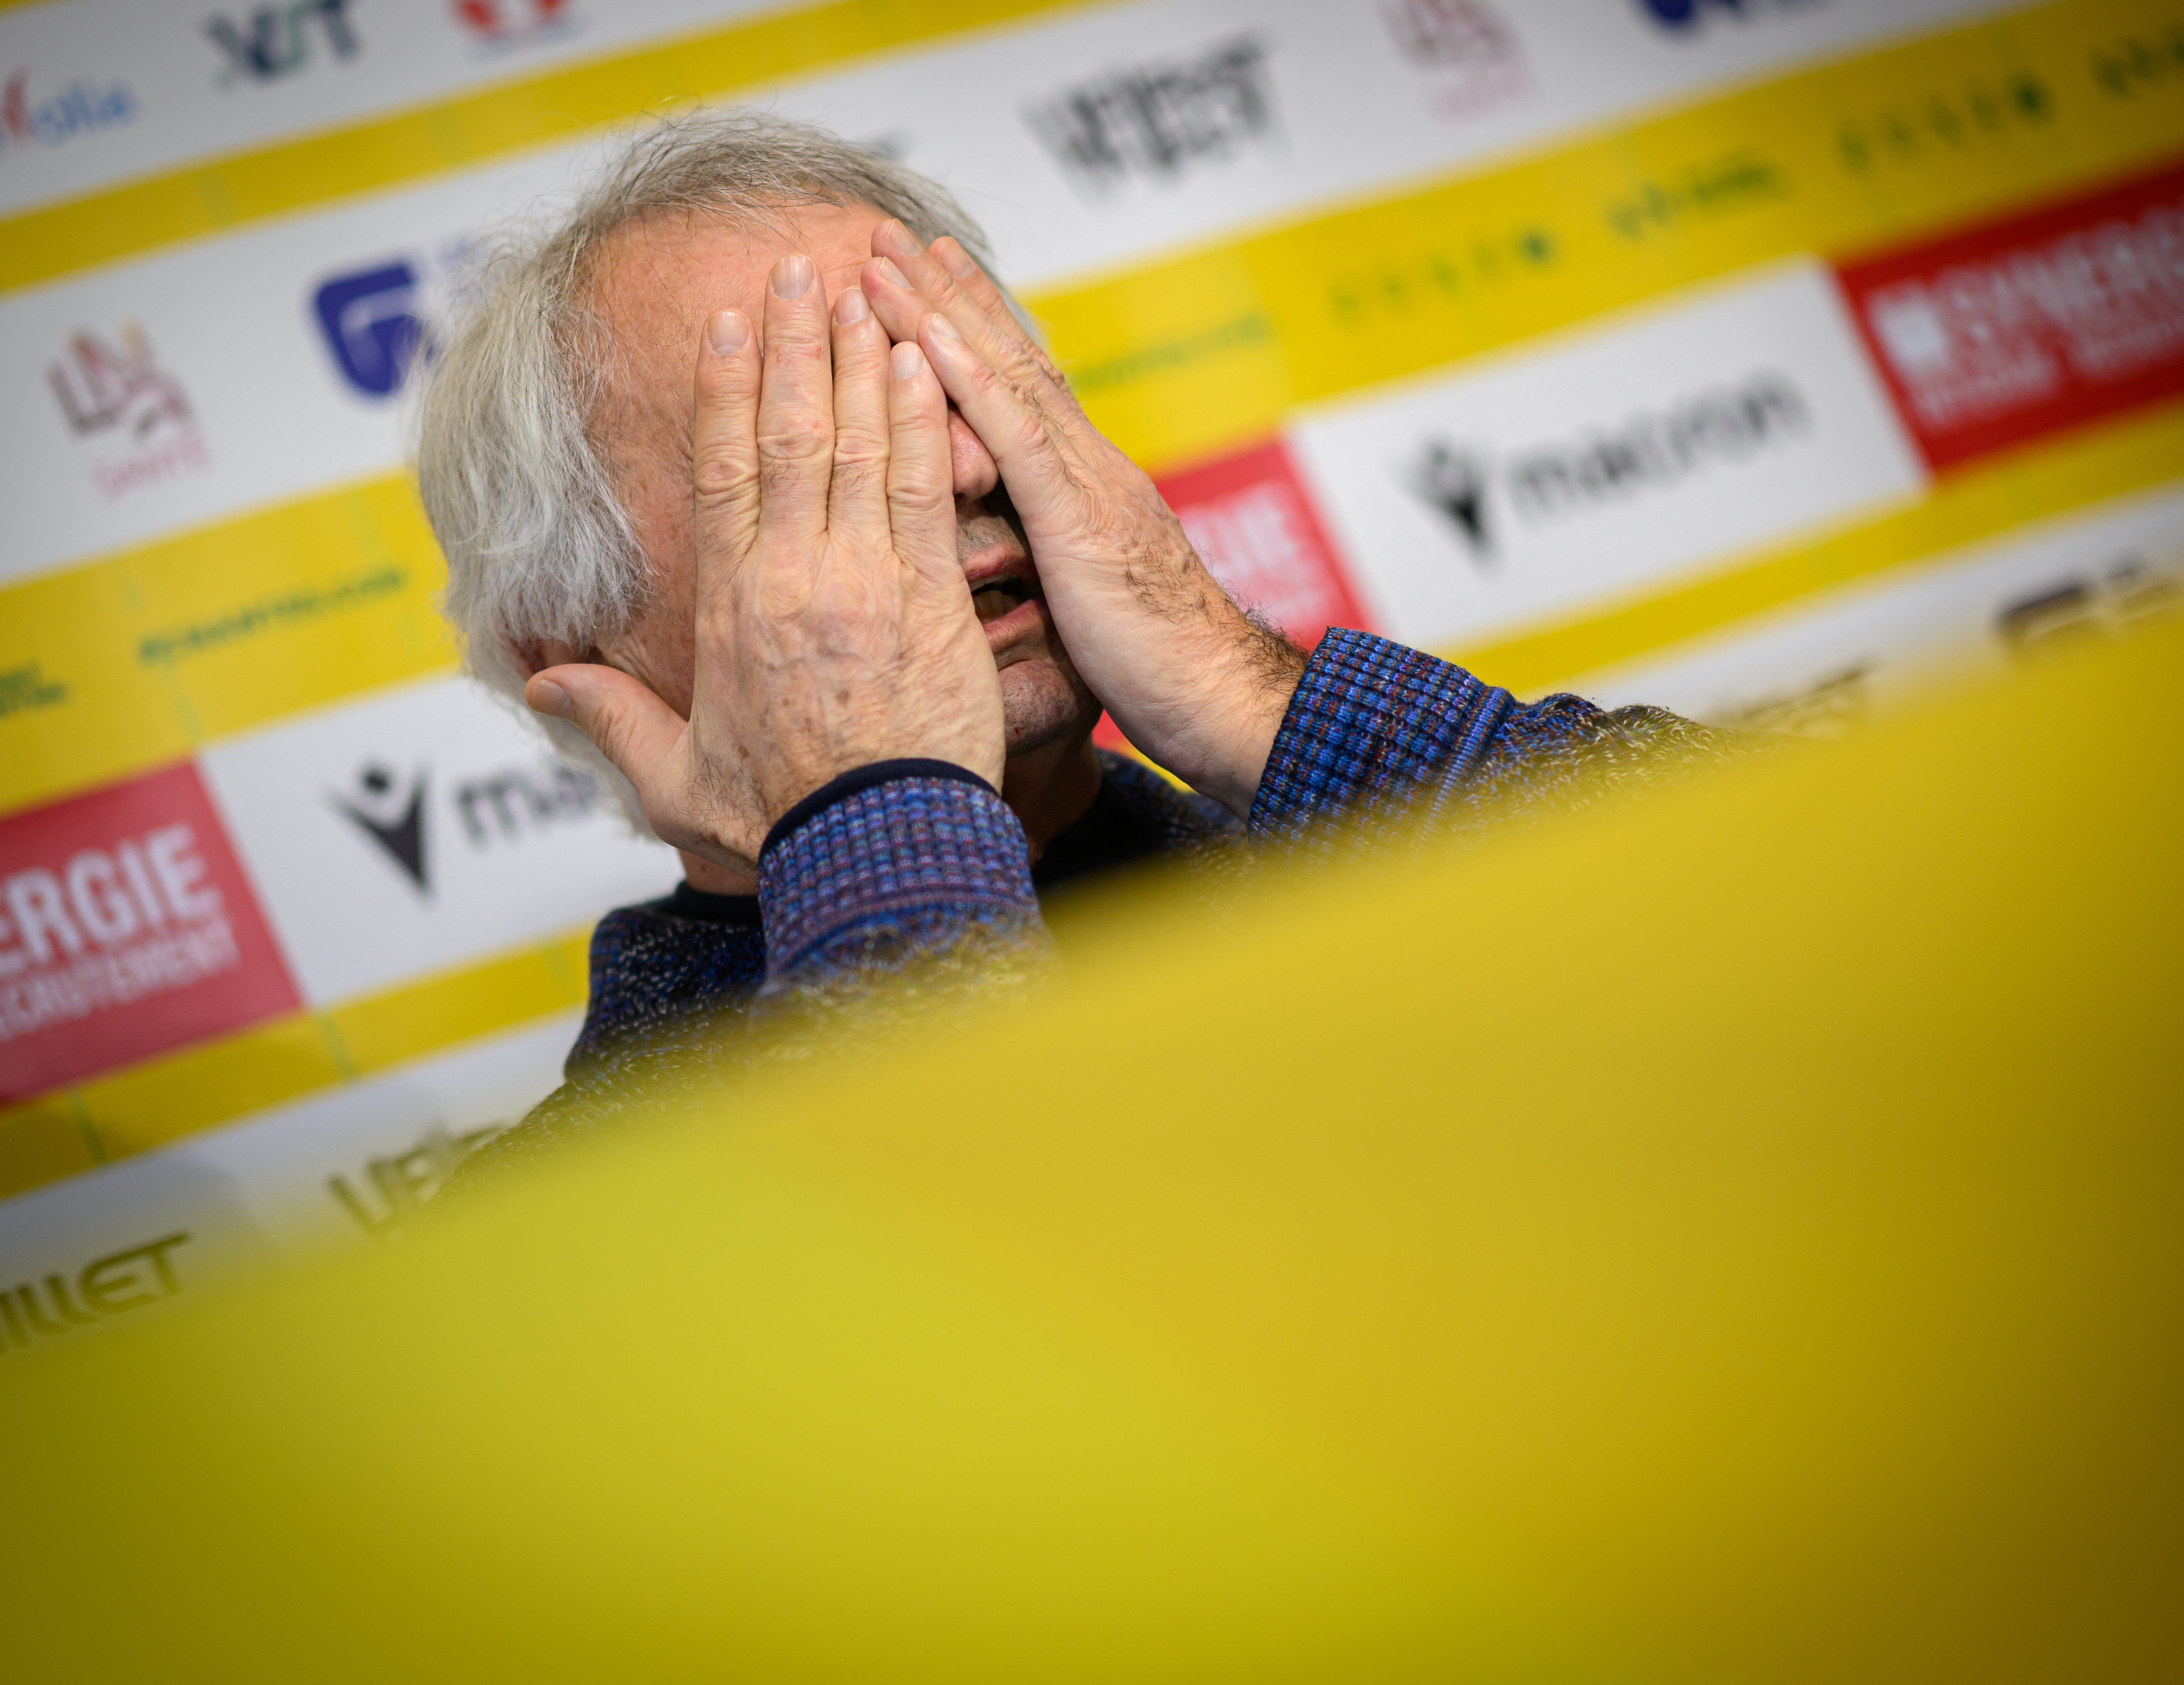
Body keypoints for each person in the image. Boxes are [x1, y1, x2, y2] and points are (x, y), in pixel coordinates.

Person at [415, 111, 1744, 1173]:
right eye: (812, 435)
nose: (953, 465)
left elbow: (1788, 934)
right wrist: (879, 814)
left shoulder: (1363, 866)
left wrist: (1242, 689)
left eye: (949, 381)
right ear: (579, 646)